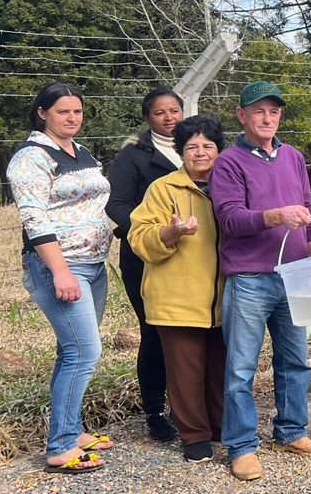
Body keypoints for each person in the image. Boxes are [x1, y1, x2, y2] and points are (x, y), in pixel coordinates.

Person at [209, 81, 311, 481]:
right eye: (258, 111)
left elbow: (308, 209)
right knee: (241, 367)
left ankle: (291, 431)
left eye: (273, 111)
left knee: (295, 360)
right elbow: (229, 218)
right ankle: (242, 446)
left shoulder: (293, 156)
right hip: (250, 278)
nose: (267, 118)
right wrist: (275, 216)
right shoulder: (228, 162)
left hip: (294, 275)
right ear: (242, 115)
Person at [7, 83, 115, 475]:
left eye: (77, 112)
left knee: (72, 351)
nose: (72, 118)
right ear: (42, 113)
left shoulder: (79, 152)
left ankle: (71, 429)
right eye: (62, 112)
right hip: (61, 267)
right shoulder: (31, 158)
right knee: (84, 353)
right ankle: (60, 447)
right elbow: (34, 218)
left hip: (94, 265)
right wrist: (60, 271)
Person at [126, 116, 227, 464]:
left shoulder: (230, 185)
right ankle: (194, 435)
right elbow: (139, 239)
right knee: (185, 371)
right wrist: (173, 233)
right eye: (191, 147)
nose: (200, 153)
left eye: (208, 146)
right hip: (177, 296)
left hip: (226, 296)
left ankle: (219, 426)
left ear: (219, 149)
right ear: (181, 152)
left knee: (220, 367)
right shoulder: (163, 188)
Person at [106, 88, 184, 442]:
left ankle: (192, 406)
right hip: (146, 257)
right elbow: (117, 205)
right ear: (147, 118)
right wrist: (149, 234)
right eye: (159, 113)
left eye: (174, 111)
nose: (168, 118)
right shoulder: (133, 157)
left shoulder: (200, 148)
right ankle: (155, 411)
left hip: (196, 257)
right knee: (155, 330)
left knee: (197, 330)